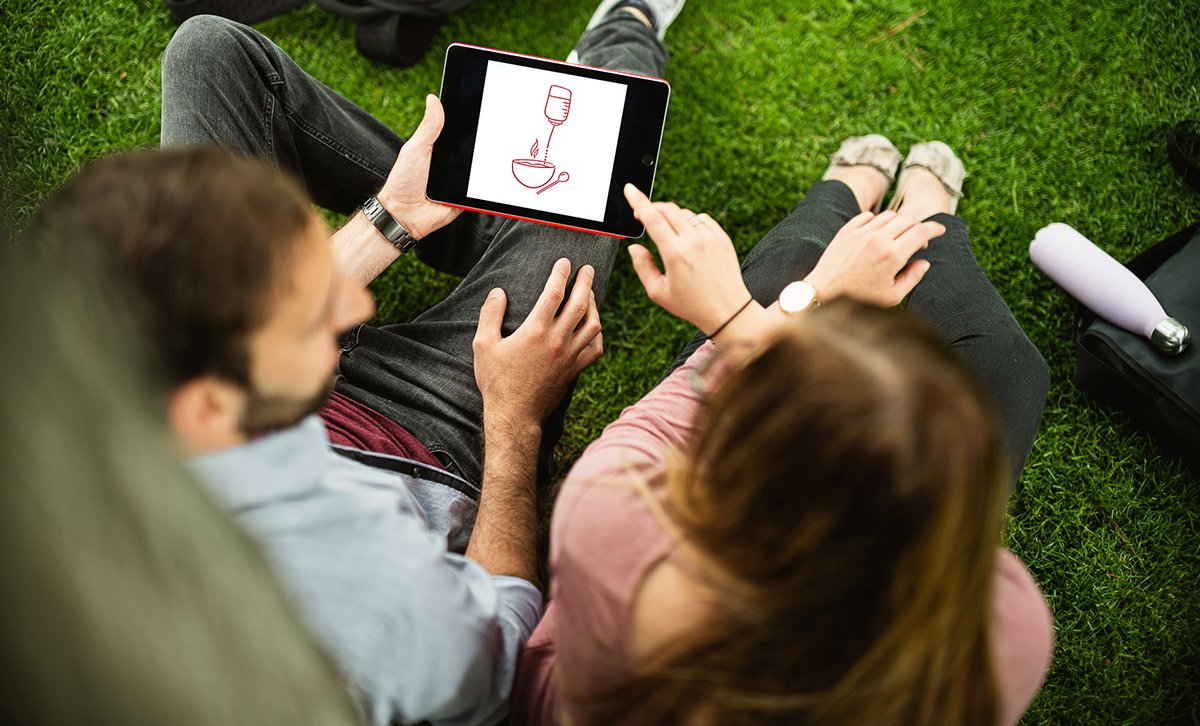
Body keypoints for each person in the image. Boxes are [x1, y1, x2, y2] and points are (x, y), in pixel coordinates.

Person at [29, 2, 684, 724]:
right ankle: (627, 24)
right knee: (600, 159)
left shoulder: (89, 411)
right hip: (427, 438)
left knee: (211, 51)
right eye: (314, 312)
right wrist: (516, 425)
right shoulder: (382, 603)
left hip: (272, 398)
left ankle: (467, 215)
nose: (355, 308)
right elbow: (497, 664)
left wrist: (388, 220)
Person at [512, 137, 1055, 724]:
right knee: (1008, 366)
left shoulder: (616, 513)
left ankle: (845, 193)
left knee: (785, 271)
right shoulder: (1004, 634)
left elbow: (679, 406)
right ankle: (921, 219)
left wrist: (812, 294)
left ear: (740, 453)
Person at [0, 242, 358, 725]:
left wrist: (391, 219)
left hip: (302, 387)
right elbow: (476, 646)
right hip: (420, 429)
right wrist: (501, 434)